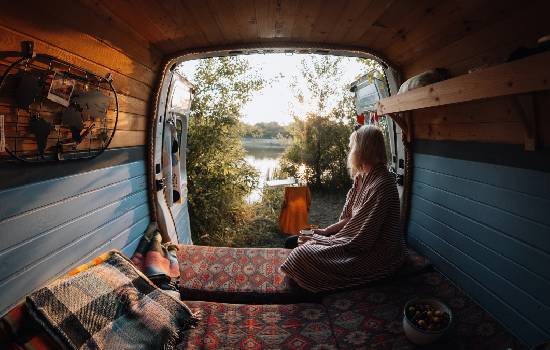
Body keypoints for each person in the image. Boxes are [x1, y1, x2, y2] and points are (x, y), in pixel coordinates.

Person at [280, 125, 405, 292]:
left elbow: (363, 240)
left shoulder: (382, 184)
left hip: (375, 252)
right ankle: (305, 276)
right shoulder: (362, 177)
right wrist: (325, 232)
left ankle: (308, 286)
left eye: (353, 146)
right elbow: (349, 219)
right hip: (351, 239)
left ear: (363, 149)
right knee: (299, 238)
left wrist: (328, 241)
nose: (350, 150)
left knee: (300, 255)